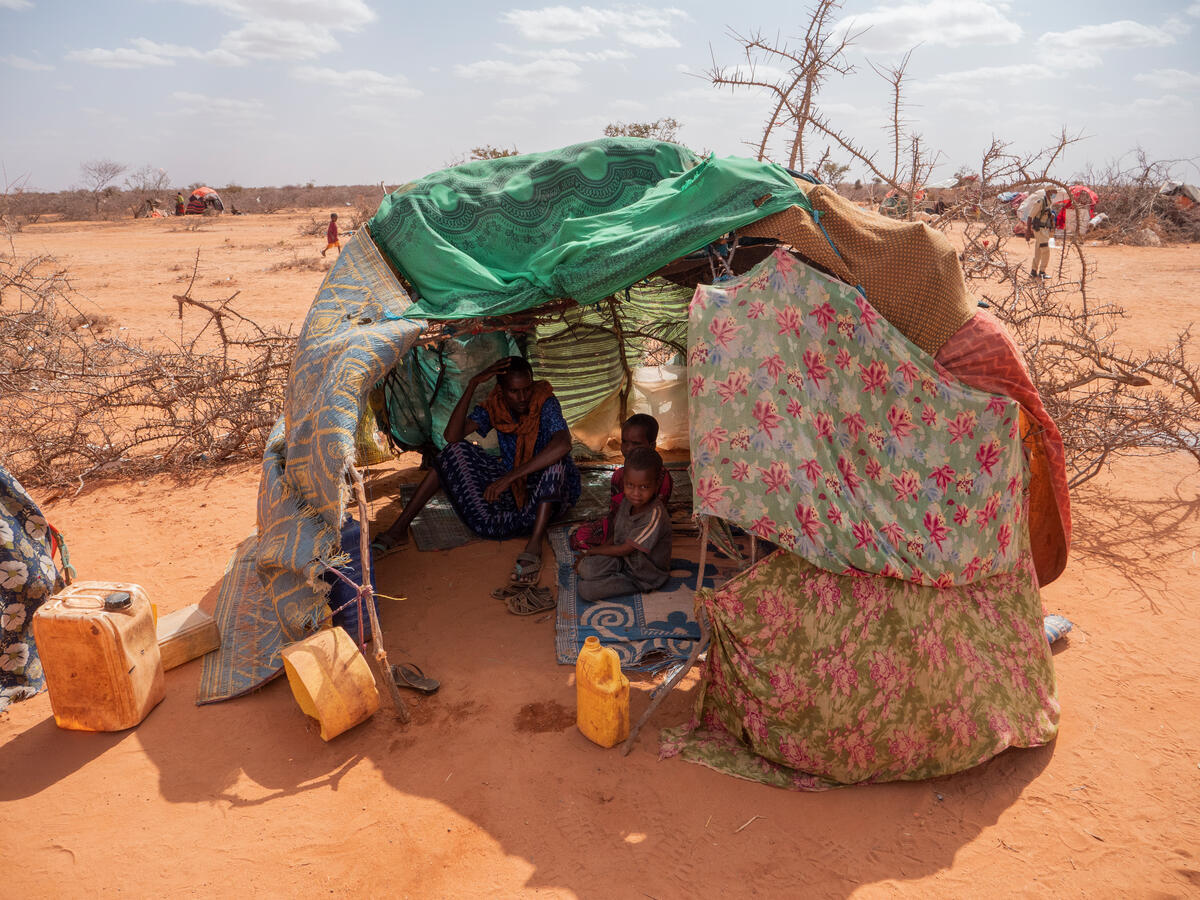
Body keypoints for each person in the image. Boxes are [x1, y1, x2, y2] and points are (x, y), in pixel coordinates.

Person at [371, 356, 580, 585]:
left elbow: (563, 444)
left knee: (555, 463)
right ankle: (399, 529)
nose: (522, 398)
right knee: (454, 452)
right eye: (513, 391)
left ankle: (535, 544)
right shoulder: (496, 406)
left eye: (526, 389)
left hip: (552, 496)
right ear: (501, 390)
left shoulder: (545, 402)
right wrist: (472, 384)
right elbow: (452, 437)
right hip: (516, 493)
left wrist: (508, 478)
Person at [574, 446, 672, 602]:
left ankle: (622, 580)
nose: (636, 493)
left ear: (657, 482)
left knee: (585, 590)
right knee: (585, 568)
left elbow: (625, 549)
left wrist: (592, 552)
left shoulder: (654, 515)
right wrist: (598, 552)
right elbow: (617, 534)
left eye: (644, 487)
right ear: (624, 480)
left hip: (641, 575)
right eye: (630, 485)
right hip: (622, 560)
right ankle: (611, 572)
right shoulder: (627, 502)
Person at [570, 413, 673, 551]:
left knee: (587, 542)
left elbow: (653, 516)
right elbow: (616, 510)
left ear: (652, 445)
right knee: (580, 536)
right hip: (619, 524)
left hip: (642, 530)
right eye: (625, 442)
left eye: (636, 444)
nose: (628, 448)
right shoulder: (619, 475)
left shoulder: (662, 479)